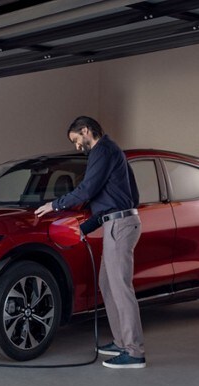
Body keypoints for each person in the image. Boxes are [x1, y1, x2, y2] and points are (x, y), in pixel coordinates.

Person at [35, 116, 145, 369]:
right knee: (107, 284)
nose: (77, 146)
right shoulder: (112, 152)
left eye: (76, 140)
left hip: (120, 225)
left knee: (121, 288)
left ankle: (135, 351)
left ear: (85, 131)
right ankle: (121, 341)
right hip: (116, 223)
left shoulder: (102, 150)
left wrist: (55, 204)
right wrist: (84, 228)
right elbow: (126, 197)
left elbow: (87, 190)